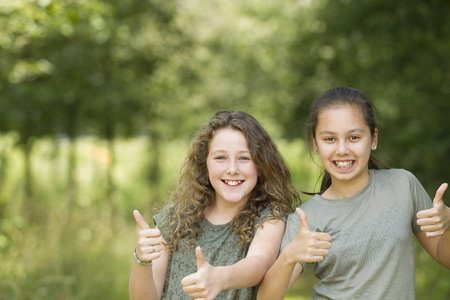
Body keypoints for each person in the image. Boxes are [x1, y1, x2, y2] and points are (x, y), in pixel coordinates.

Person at [257, 86, 450, 299]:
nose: (342, 150)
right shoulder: (306, 218)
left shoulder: (403, 185)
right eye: (329, 139)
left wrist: (449, 224)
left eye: (354, 137)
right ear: (316, 144)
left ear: (373, 138)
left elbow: (445, 258)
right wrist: (288, 257)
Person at [129, 110, 301, 300]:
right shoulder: (175, 217)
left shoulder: (270, 218)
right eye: (221, 158)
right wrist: (141, 260)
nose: (233, 169)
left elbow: (258, 263)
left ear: (260, 166)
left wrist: (219, 278)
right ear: (205, 164)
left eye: (244, 158)